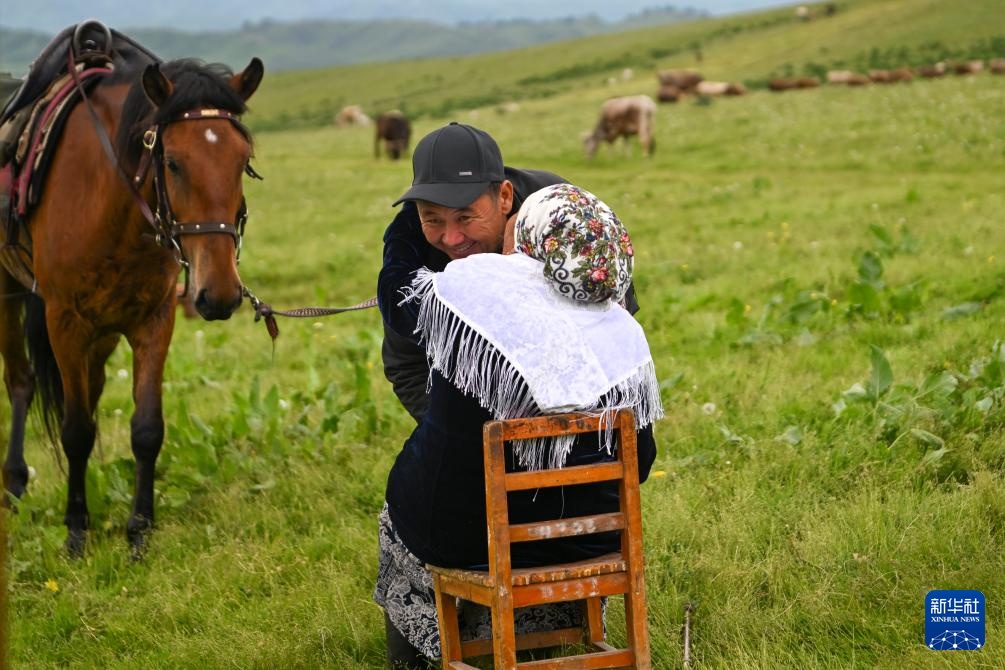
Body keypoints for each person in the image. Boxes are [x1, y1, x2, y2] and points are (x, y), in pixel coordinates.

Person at [373, 183, 663, 668]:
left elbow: (447, 445)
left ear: (528, 238)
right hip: (588, 539)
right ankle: (545, 632)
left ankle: (420, 656)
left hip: (473, 540)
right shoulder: (624, 336)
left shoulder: (469, 305)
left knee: (404, 511)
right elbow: (643, 461)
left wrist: (407, 228)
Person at [377, 121, 639, 423]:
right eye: (433, 220)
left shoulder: (558, 214)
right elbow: (406, 365)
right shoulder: (410, 252)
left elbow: (617, 311)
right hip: (473, 399)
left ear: (503, 197)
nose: (451, 239)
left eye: (465, 217)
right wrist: (464, 433)